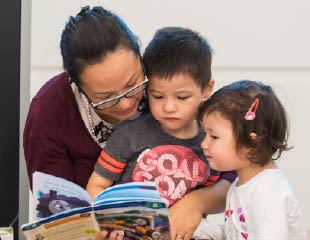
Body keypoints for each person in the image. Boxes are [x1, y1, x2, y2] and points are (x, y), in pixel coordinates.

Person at [86, 27, 236, 240]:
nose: (169, 107)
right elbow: (97, 184)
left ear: (206, 89)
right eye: (158, 96)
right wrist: (106, 222)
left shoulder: (211, 141)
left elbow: (224, 192)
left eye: (182, 97)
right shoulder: (130, 134)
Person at [23, 5, 149, 190]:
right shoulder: (48, 112)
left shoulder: (165, 81)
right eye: (106, 97)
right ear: (78, 85)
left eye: (132, 85)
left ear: (139, 57)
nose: (125, 103)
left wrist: (196, 202)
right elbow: (55, 209)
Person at [198, 80, 307, 239]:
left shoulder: (267, 192)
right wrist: (199, 228)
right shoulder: (242, 184)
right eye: (205, 135)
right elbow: (237, 234)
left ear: (252, 143)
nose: (204, 144)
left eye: (214, 136)